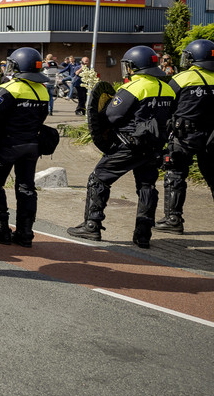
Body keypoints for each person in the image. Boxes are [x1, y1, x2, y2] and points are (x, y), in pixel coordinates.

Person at [68, 46, 175, 248]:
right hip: (153, 147)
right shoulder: (167, 88)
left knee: (98, 178)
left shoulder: (133, 88)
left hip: (128, 146)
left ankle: (92, 225)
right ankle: (143, 235)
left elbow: (111, 115)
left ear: (134, 66)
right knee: (147, 186)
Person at [0, 48, 51, 247]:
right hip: (32, 145)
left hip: (9, 145)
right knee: (26, 187)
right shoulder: (42, 90)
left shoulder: (11, 89)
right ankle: (25, 233)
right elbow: (43, 117)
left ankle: (0, 230)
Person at [157, 39, 214, 233]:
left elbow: (166, 104)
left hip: (185, 136)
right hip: (212, 137)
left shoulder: (182, 78)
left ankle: (173, 219)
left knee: (175, 173)